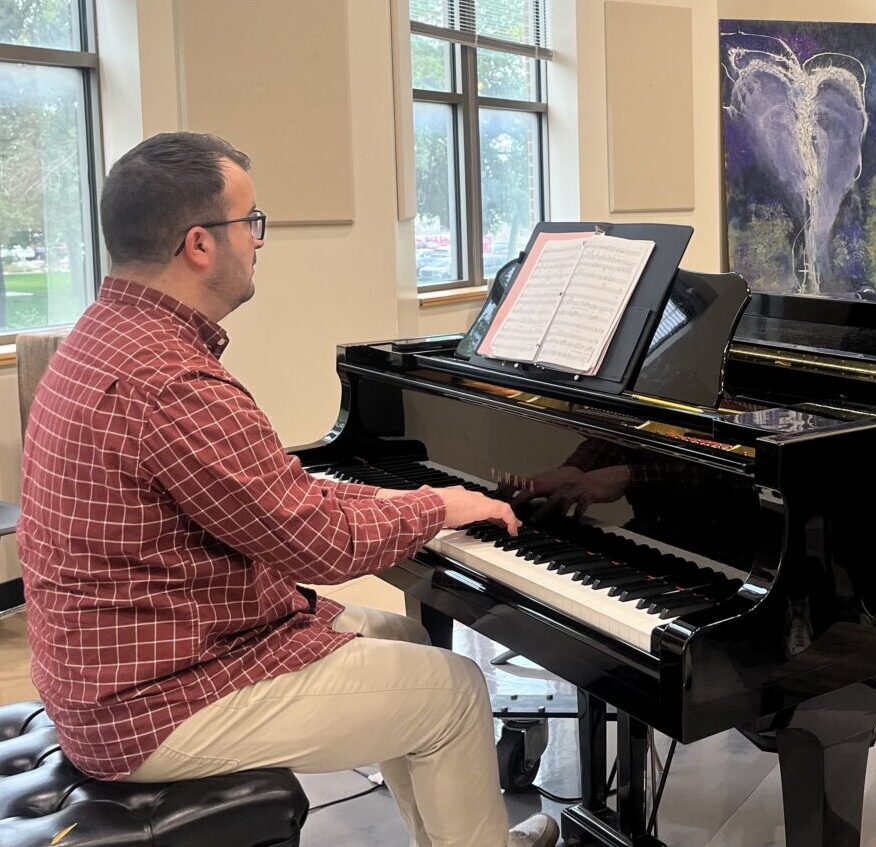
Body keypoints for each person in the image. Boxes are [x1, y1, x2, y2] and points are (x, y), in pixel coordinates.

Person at [17, 131, 560, 847]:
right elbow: (320, 545)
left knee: (399, 635)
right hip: (151, 703)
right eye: (252, 222)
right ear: (200, 245)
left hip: (124, 666)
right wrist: (441, 505)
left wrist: (400, 500)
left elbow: (278, 498)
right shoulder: (172, 382)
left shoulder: (107, 334)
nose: (259, 241)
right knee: (454, 691)